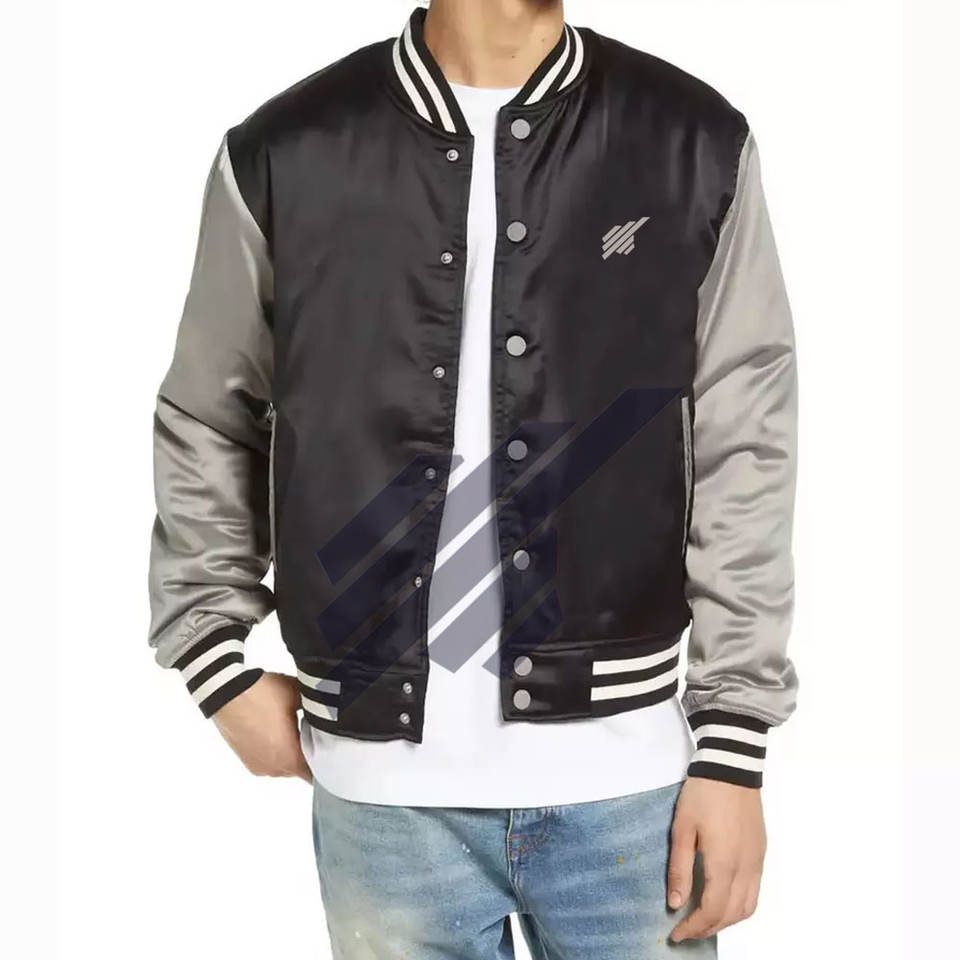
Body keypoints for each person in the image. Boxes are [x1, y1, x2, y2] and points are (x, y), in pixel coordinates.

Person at [148, 1, 798, 956]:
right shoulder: (288, 151)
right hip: (385, 805)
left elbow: (749, 440)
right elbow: (208, 412)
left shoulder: (690, 142)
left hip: (631, 791)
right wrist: (212, 658)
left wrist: (735, 743)